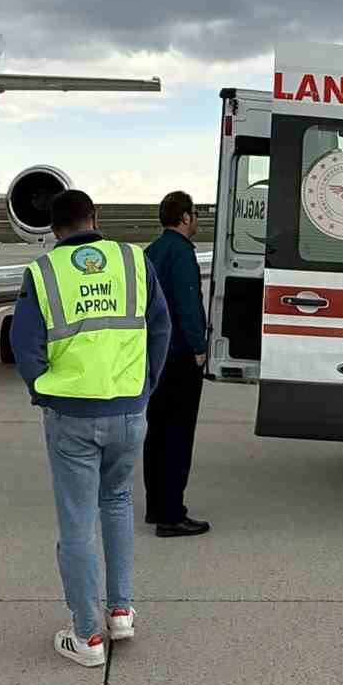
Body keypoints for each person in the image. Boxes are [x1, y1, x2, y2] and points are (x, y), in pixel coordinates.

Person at [10, 188, 172, 667]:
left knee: (77, 523)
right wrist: (144, 387)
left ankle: (87, 636)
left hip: (72, 416)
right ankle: (120, 612)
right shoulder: (133, 260)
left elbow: (25, 344)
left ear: (52, 227)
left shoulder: (43, 272)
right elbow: (160, 328)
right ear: (94, 218)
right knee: (117, 502)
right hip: (128, 410)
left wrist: (45, 392)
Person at [142, 190, 211, 538]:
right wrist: (199, 346)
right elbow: (187, 302)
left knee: (156, 432)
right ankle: (172, 514)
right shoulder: (182, 252)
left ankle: (156, 505)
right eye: (195, 213)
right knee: (178, 435)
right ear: (184, 217)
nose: (196, 219)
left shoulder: (152, 251)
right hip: (180, 354)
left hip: (155, 355)